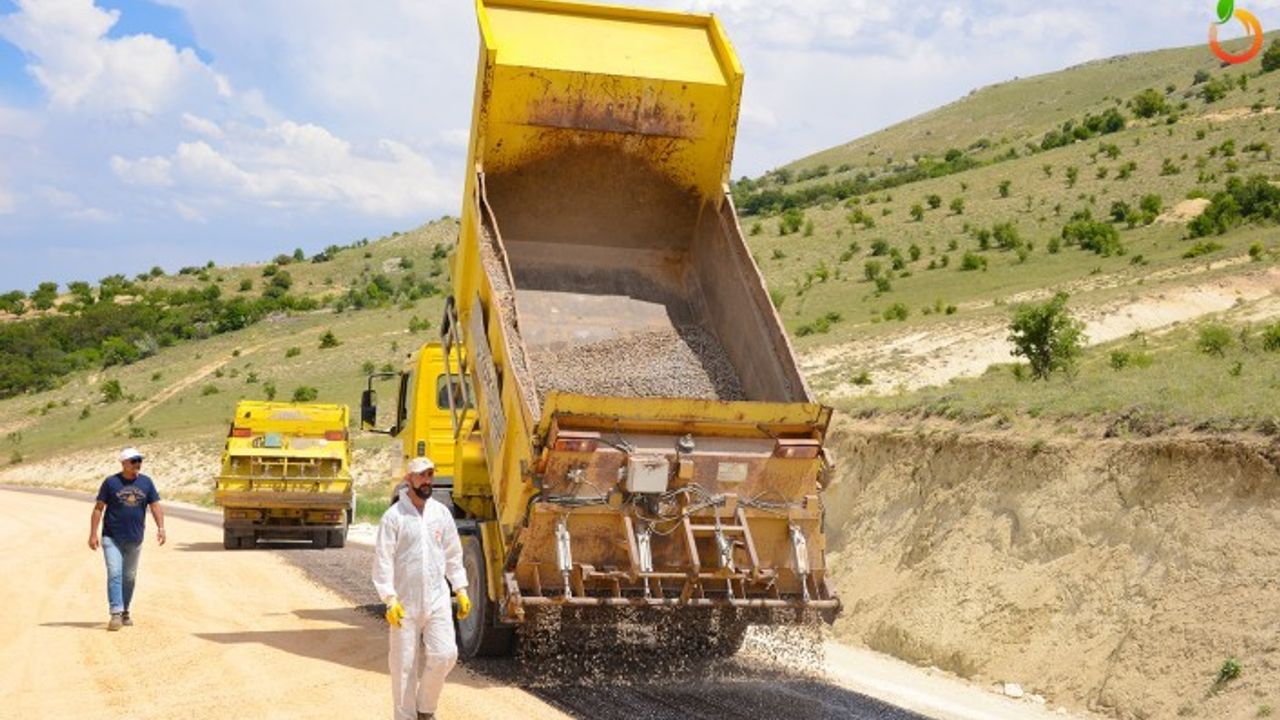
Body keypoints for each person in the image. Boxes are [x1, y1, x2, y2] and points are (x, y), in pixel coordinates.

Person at [373, 457, 471, 720]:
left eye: (430, 475)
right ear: (409, 480)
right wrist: (389, 599)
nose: (427, 480)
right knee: (404, 668)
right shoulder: (394, 517)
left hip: (437, 598)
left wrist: (460, 587)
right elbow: (382, 559)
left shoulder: (440, 513)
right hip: (405, 603)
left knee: (445, 654)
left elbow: (453, 553)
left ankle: (425, 708)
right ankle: (405, 717)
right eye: (421, 476)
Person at [88, 447, 166, 631]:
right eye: (133, 461)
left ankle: (125, 611)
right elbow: (99, 508)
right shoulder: (111, 483)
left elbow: (155, 506)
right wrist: (93, 533)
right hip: (111, 537)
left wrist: (161, 527)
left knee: (129, 577)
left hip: (135, 538)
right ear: (123, 463)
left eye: (139, 461)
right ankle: (115, 613)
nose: (137, 464)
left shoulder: (146, 482)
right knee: (115, 573)